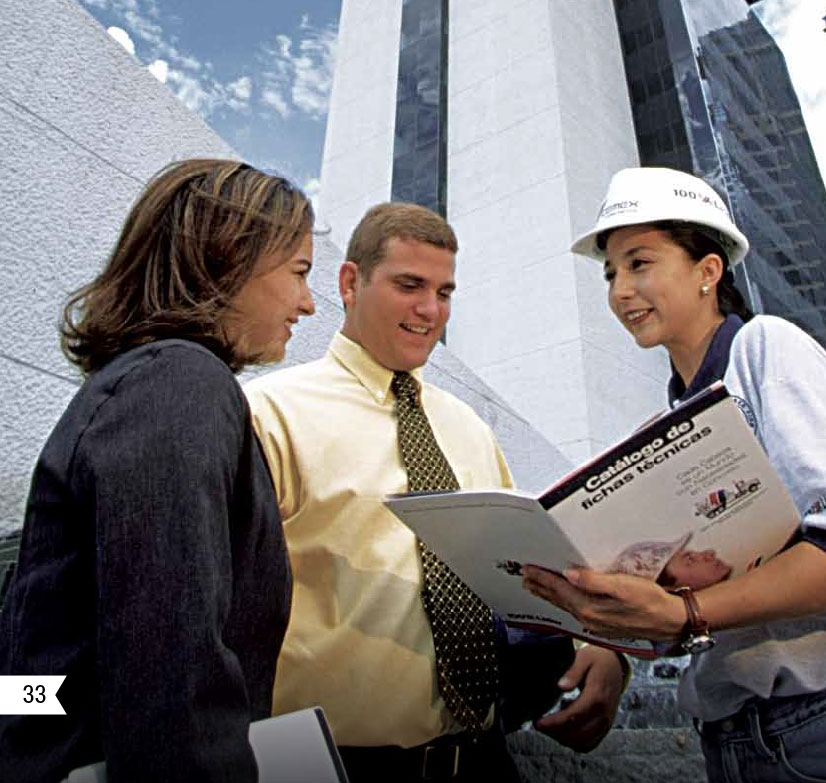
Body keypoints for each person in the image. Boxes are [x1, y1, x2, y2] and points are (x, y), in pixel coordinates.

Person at [523, 166, 826, 782]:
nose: (621, 290)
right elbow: (686, 584)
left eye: (640, 263)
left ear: (708, 271)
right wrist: (613, 652)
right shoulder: (675, 420)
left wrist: (685, 615)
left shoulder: (767, 349)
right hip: (733, 743)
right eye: (611, 272)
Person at [245, 201, 627, 783]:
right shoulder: (269, 415)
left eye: (445, 292)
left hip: (483, 758)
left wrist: (597, 648)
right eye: (409, 285)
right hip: (335, 767)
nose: (430, 310)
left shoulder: (468, 429)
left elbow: (520, 576)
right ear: (351, 282)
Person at [0, 158, 316, 783]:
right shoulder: (180, 381)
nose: (307, 303)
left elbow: (37, 675)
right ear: (226, 257)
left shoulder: (141, 382)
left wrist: (40, 716)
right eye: (299, 272)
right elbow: (170, 673)